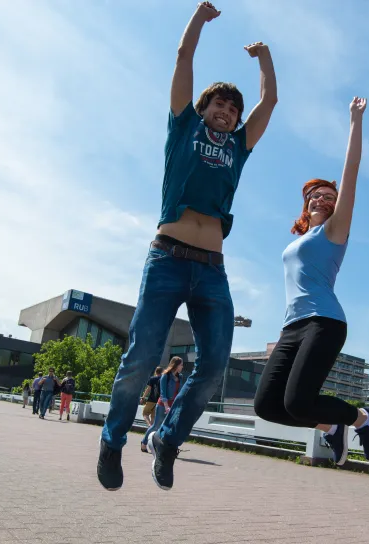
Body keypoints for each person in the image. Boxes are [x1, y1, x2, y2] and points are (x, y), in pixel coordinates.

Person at [98, 1, 278, 492]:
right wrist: (198, 18)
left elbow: (270, 102)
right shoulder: (183, 129)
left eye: (233, 108)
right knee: (141, 357)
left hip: (212, 271)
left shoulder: (238, 147)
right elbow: (183, 60)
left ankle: (168, 440)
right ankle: (112, 441)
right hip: (167, 260)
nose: (226, 111)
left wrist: (264, 59)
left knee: (215, 364)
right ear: (203, 109)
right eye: (218, 104)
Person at [253, 97, 369, 466]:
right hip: (291, 326)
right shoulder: (297, 240)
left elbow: (351, 170)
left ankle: (361, 418)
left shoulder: (335, 231)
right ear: (305, 204)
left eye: (330, 195)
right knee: (268, 406)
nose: (323, 198)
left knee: (297, 401)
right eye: (316, 195)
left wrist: (356, 121)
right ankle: (331, 428)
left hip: (324, 321)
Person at [143, 357, 184, 449]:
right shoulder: (165, 376)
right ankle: (144, 442)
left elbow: (180, 392)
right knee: (156, 426)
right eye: (181, 365)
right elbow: (163, 393)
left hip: (173, 405)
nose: (182, 366)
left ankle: (165, 446)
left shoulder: (180, 377)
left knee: (171, 427)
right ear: (176, 365)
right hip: (162, 405)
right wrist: (166, 406)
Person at [141, 367, 165, 442]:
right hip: (159, 401)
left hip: (151, 400)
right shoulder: (163, 379)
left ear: (156, 372)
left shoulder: (152, 379)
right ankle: (151, 435)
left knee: (145, 414)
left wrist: (143, 397)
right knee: (153, 417)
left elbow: (148, 389)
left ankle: (149, 426)